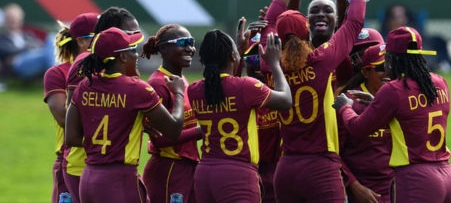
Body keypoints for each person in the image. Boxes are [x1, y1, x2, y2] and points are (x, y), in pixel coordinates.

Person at [258, 0, 367, 202]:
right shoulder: (322, 59)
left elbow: (270, 19)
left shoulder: (270, 62)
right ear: (308, 31)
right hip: (321, 167)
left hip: (285, 169)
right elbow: (354, 21)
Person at [333, 26, 451, 202]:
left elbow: (357, 128)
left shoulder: (394, 89)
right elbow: (412, 112)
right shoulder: (439, 82)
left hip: (417, 178)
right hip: (448, 176)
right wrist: (378, 105)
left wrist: (345, 107)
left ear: (392, 58)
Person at [65, 27, 186, 203]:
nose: (136, 56)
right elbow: (174, 129)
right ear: (122, 57)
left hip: (88, 178)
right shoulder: (137, 88)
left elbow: (71, 137)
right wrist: (179, 93)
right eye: (133, 50)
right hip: (119, 180)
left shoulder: (85, 85)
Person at [187, 27, 292, 203]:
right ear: (233, 57)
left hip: (204, 174)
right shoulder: (246, 87)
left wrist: (238, 50)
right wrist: (274, 63)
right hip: (237, 175)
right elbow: (285, 101)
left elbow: (224, 88)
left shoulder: (194, 89)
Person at [64, 7, 139, 203]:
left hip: (108, 165)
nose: (136, 39)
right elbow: (73, 120)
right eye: (130, 34)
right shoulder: (84, 64)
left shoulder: (123, 65)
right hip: (87, 165)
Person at [141, 24, 202, 203]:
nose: (190, 48)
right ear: (164, 48)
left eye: (191, 42)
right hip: (169, 168)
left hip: (188, 167)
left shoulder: (181, 80)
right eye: (182, 42)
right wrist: (203, 130)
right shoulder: (158, 84)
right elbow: (160, 139)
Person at [335, 44, 394, 203]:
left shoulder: (399, 98)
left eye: (392, 65)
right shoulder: (347, 101)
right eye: (382, 67)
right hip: (361, 192)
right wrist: (355, 186)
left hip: (395, 188)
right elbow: (334, 152)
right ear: (366, 72)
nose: (388, 71)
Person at [235, 26, 281, 203]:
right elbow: (227, 80)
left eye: (263, 58)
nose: (256, 65)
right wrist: (239, 49)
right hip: (244, 174)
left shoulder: (282, 96)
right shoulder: (238, 94)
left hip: (277, 174)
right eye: (251, 58)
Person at [43, 19, 83, 203]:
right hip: (70, 157)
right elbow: (62, 117)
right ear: (82, 40)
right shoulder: (59, 73)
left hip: (106, 160)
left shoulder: (111, 72)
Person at [380, 3, 451, 73]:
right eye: (395, 17)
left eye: (401, 16)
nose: (399, 20)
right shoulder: (384, 36)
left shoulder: (416, 33)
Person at [0, 3, 55, 79]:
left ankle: (56, 75)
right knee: (51, 48)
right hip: (21, 63)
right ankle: (57, 76)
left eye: (15, 18)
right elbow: (6, 51)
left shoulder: (28, 35)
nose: (13, 20)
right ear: (5, 20)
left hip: (37, 56)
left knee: (52, 39)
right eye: (10, 18)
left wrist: (29, 49)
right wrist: (28, 49)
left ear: (20, 20)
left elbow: (39, 46)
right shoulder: (2, 38)